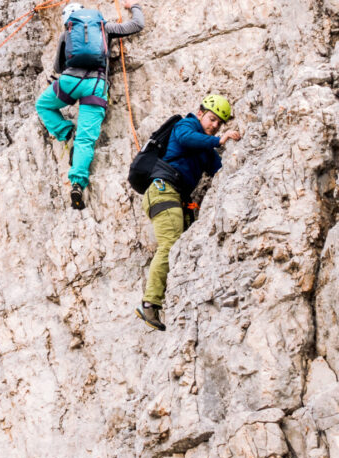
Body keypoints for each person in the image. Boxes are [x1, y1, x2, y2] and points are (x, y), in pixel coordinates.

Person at [136, 95, 242, 331]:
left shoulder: (204, 146)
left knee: (181, 248)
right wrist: (218, 139)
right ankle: (150, 303)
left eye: (219, 123)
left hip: (175, 196)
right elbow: (186, 139)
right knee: (170, 244)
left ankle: (165, 299)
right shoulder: (186, 125)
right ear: (200, 112)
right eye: (212, 119)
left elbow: (219, 168)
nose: (214, 125)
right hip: (163, 191)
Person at [36, 1, 145, 210]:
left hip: (69, 82)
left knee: (43, 105)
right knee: (85, 138)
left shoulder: (67, 33)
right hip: (96, 85)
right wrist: (135, 6)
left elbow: (58, 66)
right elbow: (137, 25)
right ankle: (77, 182)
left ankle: (66, 132)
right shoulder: (105, 28)